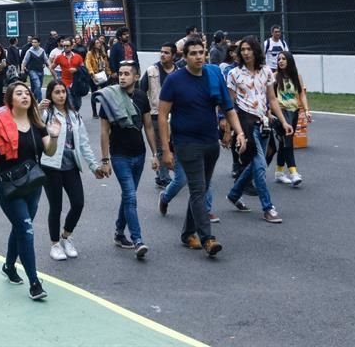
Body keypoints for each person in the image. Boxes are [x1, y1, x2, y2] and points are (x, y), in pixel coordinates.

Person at [0, 81, 59, 301]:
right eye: (19, 94)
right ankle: (34, 283)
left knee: (20, 226)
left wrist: (54, 135)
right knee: (26, 229)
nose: (25, 96)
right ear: (10, 99)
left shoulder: (37, 122)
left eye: (27, 93)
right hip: (8, 185)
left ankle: (9, 266)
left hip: (32, 184)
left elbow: (49, 151)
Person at [158, 36, 246, 257]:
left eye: (201, 52)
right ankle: (207, 238)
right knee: (198, 189)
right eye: (193, 53)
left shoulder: (214, 75)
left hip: (210, 142)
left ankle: (188, 233)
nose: (199, 56)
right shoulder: (175, 80)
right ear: (185, 57)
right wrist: (166, 151)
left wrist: (239, 132)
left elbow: (228, 107)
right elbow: (161, 115)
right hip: (186, 143)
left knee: (202, 189)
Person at [224, 36, 292, 224]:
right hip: (245, 123)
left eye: (248, 49)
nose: (245, 53)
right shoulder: (234, 74)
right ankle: (268, 208)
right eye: (242, 50)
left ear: (256, 51)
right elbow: (229, 104)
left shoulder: (267, 72)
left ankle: (234, 193)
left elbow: (272, 99)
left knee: (255, 164)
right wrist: (229, 129)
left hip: (264, 124)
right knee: (260, 166)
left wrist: (283, 121)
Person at [95, 60, 157, 259]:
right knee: (130, 196)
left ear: (136, 77)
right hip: (119, 155)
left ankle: (119, 232)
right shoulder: (109, 97)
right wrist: (105, 160)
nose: (122, 77)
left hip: (139, 154)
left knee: (128, 196)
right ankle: (138, 239)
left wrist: (155, 154)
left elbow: (148, 126)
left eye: (126, 74)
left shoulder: (141, 97)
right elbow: (104, 131)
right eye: (120, 73)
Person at [38, 80, 101, 261]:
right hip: (51, 165)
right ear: (50, 95)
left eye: (63, 92)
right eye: (56, 92)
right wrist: (39, 110)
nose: (60, 95)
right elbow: (34, 127)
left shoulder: (74, 115)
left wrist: (94, 165)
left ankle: (66, 236)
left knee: (78, 203)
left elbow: (83, 143)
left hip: (71, 165)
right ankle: (55, 244)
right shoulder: (46, 114)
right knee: (56, 206)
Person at [139, 42, 177, 190]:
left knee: (173, 145)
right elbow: (141, 91)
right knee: (161, 147)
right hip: (155, 114)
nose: (163, 55)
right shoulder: (151, 71)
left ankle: (163, 174)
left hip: (175, 115)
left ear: (174, 55)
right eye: (161, 52)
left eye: (166, 52)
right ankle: (164, 177)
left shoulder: (178, 72)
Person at [272, 51, 310, 185]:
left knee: (284, 142)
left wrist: (306, 110)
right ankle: (293, 172)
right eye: (279, 59)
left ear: (289, 61)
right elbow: (271, 98)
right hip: (280, 113)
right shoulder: (275, 76)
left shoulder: (297, 77)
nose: (280, 61)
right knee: (288, 142)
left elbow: (302, 94)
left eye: (283, 59)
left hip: (294, 111)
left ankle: (279, 172)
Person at [52, 39, 85, 112]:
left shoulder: (78, 57)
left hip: (77, 82)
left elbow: (84, 69)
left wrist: (76, 70)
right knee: (70, 101)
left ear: (71, 46)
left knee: (77, 103)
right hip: (65, 82)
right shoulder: (59, 57)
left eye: (67, 46)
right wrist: (56, 77)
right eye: (63, 46)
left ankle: (75, 113)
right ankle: (72, 116)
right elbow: (52, 67)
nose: (65, 47)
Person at [20, 36, 53, 102]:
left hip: (40, 70)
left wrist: (50, 66)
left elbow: (46, 59)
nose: (33, 43)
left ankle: (33, 99)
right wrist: (22, 69)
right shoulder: (29, 51)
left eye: (35, 42)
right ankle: (40, 101)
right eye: (32, 42)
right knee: (37, 85)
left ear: (39, 43)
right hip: (32, 70)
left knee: (36, 87)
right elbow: (25, 61)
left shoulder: (42, 51)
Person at [84, 38, 110, 119]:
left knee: (105, 93)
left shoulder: (102, 52)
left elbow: (106, 63)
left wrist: (109, 72)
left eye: (99, 42)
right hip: (94, 75)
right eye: (97, 43)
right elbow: (88, 63)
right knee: (94, 93)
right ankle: (94, 112)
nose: (99, 44)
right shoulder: (89, 53)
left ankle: (104, 111)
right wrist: (92, 73)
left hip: (103, 74)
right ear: (93, 44)